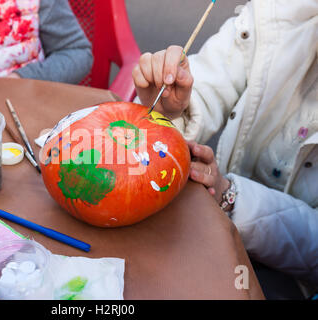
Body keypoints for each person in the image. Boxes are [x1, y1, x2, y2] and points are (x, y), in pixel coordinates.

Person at [132, 0, 318, 294]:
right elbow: (206, 85)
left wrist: (231, 196)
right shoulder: (275, 15)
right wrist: (171, 111)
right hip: (214, 228)